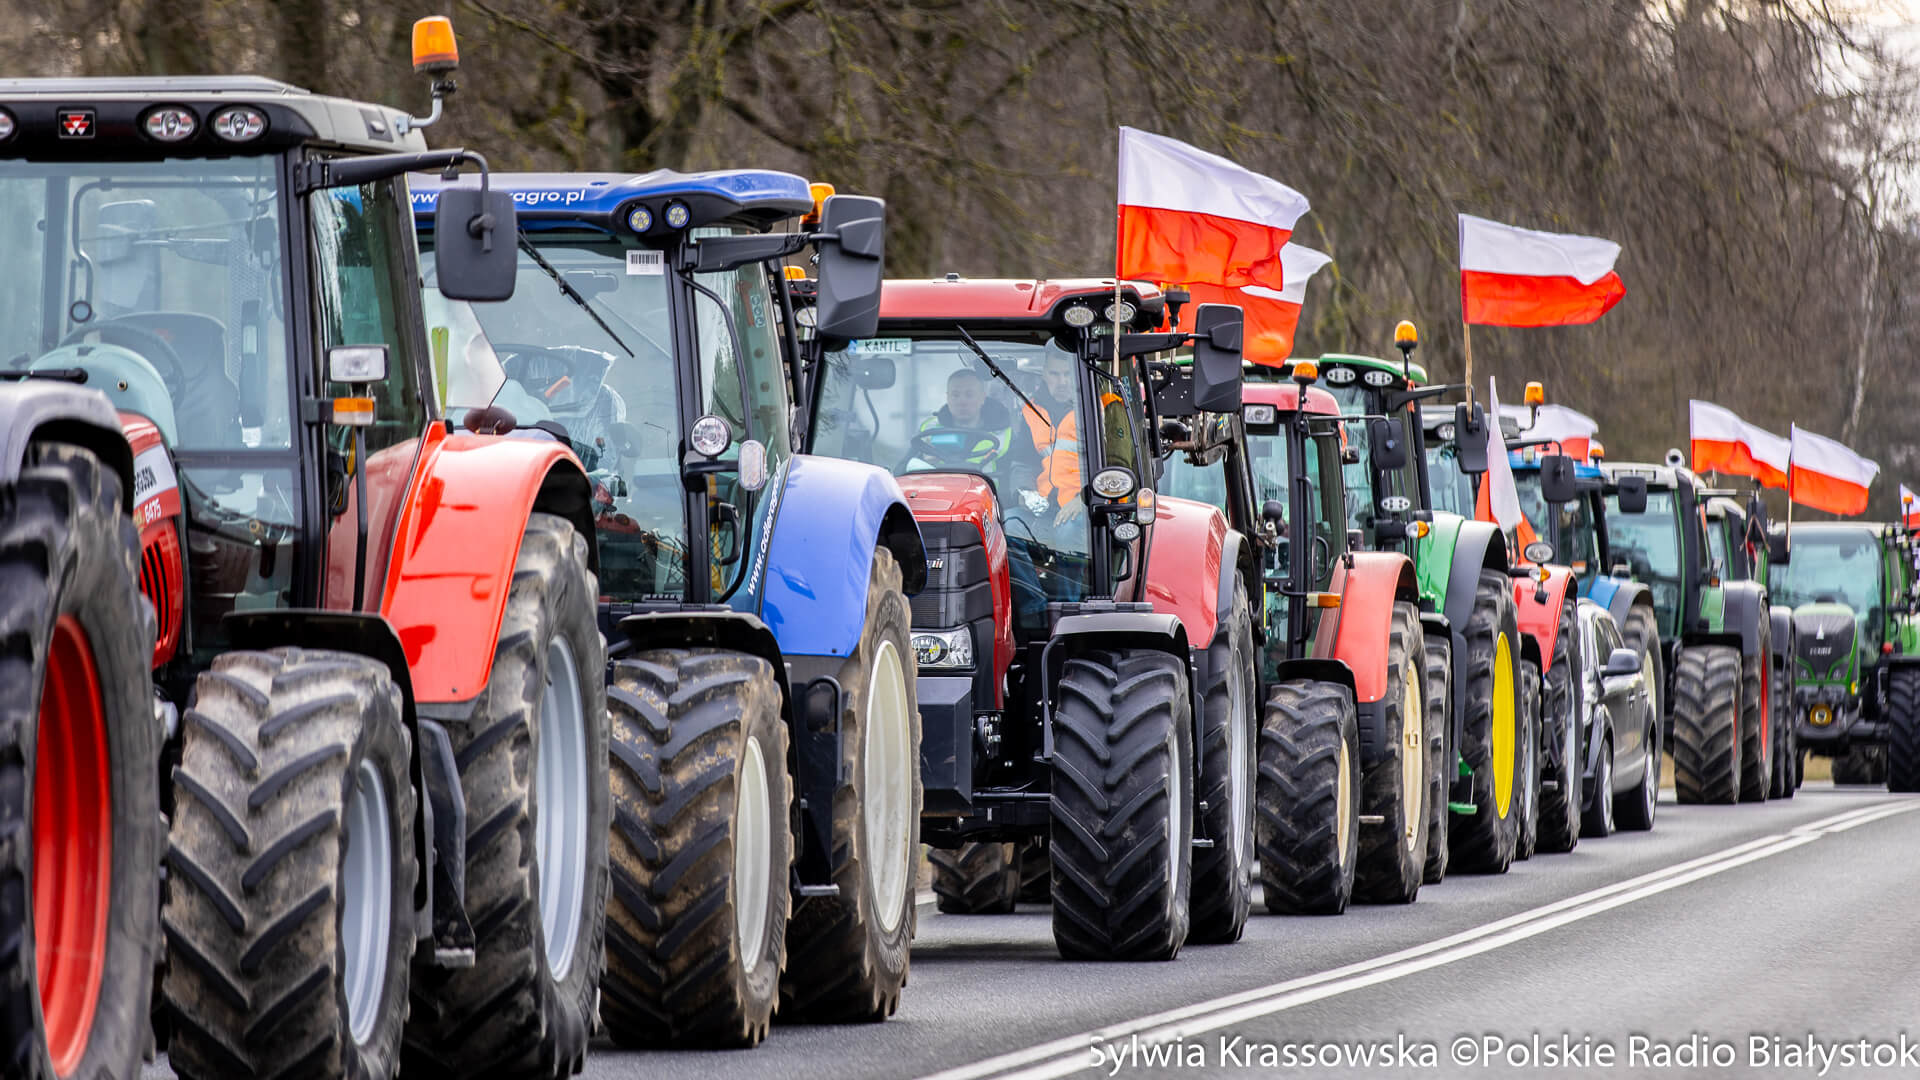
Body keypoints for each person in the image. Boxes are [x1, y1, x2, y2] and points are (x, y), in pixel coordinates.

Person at [917, 367, 1011, 465]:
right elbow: (904, 471)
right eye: (955, 395)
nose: (962, 401)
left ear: (982, 398)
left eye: (969, 395)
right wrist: (925, 463)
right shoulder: (928, 431)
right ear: (947, 398)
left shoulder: (1003, 435)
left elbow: (1015, 474)